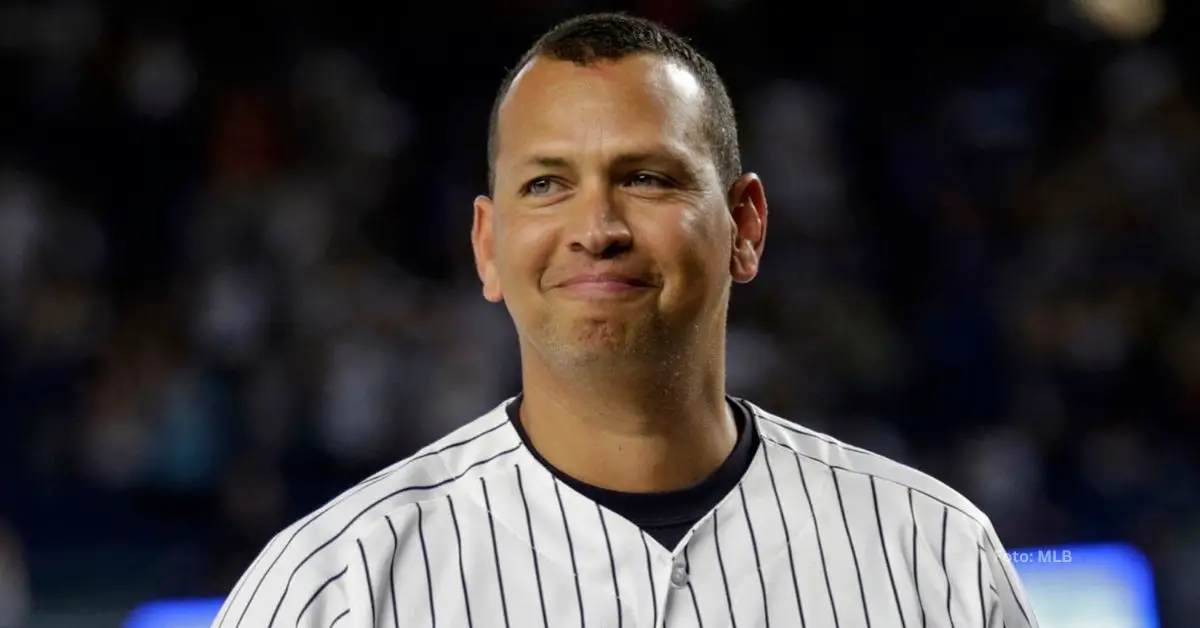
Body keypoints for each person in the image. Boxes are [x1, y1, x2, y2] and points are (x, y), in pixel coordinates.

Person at [212, 12, 1039, 628]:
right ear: (488, 246)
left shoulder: (934, 554)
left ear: (746, 226)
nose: (597, 226)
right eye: (545, 185)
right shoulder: (335, 587)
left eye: (646, 177)